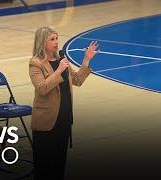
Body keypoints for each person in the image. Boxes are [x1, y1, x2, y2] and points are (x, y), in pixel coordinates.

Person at [29, 27, 98, 179]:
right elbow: (42, 88)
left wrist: (86, 60)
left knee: (59, 164)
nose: (56, 42)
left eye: (56, 38)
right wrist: (58, 71)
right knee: (44, 167)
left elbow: (77, 80)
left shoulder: (62, 60)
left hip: (64, 119)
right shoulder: (36, 63)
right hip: (46, 122)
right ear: (42, 42)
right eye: (52, 39)